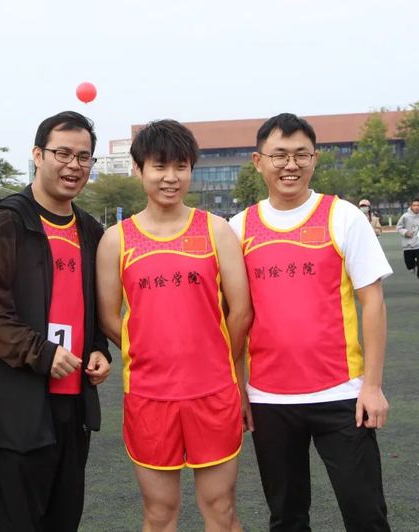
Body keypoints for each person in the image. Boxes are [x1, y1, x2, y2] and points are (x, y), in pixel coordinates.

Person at [229, 113, 392, 531]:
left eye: (301, 155)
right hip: (269, 398)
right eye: (279, 155)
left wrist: (372, 387)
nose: (291, 165)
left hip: (342, 393)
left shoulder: (343, 217)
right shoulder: (239, 228)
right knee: (287, 517)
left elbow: (372, 302)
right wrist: (239, 388)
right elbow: (234, 319)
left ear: (315, 159)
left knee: (365, 514)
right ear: (258, 161)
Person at [96, 120, 252, 531]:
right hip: (149, 396)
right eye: (159, 166)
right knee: (160, 512)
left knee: (220, 509)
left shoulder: (216, 230)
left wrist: (218, 360)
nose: (170, 177)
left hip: (213, 392)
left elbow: (240, 311)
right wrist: (148, 350)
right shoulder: (116, 240)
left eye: (181, 167)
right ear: (138, 169)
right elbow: (109, 317)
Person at [0, 111, 111, 532]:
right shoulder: (8, 221)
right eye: (62, 154)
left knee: (64, 517)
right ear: (38, 155)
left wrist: (99, 349)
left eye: (84, 157)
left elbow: (92, 306)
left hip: (74, 402)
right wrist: (42, 353)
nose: (74, 166)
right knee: (17, 520)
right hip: (21, 402)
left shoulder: (90, 230)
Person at [395, 198, 419, 294]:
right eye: (414, 205)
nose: (416, 207)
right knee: (409, 265)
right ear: (411, 206)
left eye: (418, 205)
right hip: (408, 245)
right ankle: (412, 266)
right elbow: (399, 227)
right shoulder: (405, 216)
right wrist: (405, 232)